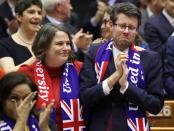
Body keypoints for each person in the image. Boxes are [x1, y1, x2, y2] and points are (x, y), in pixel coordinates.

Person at [79, 2, 164, 131]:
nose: (126, 31)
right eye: (122, 26)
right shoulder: (95, 52)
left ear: (136, 30)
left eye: (131, 27)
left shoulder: (150, 58)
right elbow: (85, 97)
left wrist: (126, 86)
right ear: (112, 25)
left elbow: (156, 105)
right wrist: (113, 78)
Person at [19, 23, 86, 130]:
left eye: (68, 43)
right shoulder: (27, 72)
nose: (66, 48)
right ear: (44, 47)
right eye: (59, 44)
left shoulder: (80, 68)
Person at [0, 0, 43, 73]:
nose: (37, 16)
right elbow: (9, 73)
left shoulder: (46, 40)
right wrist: (36, 58)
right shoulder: (4, 44)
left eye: (39, 13)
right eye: (31, 12)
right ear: (19, 17)